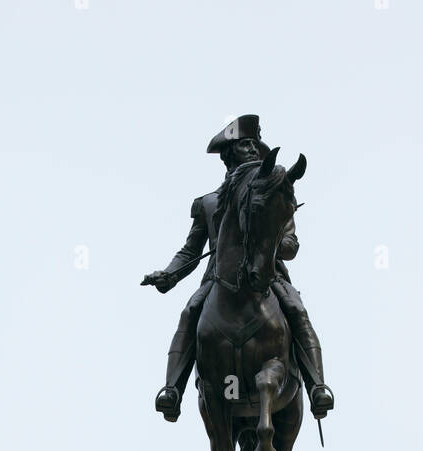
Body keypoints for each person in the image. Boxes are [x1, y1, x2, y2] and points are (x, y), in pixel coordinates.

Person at [141, 113, 333, 423]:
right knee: (191, 312)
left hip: (268, 276)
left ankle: (317, 388)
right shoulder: (209, 202)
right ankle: (171, 390)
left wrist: (278, 245)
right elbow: (191, 250)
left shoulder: (273, 190)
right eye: (246, 145)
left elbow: (290, 241)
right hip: (218, 279)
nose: (254, 149)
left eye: (255, 144)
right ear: (230, 154)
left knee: (296, 309)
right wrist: (170, 275)